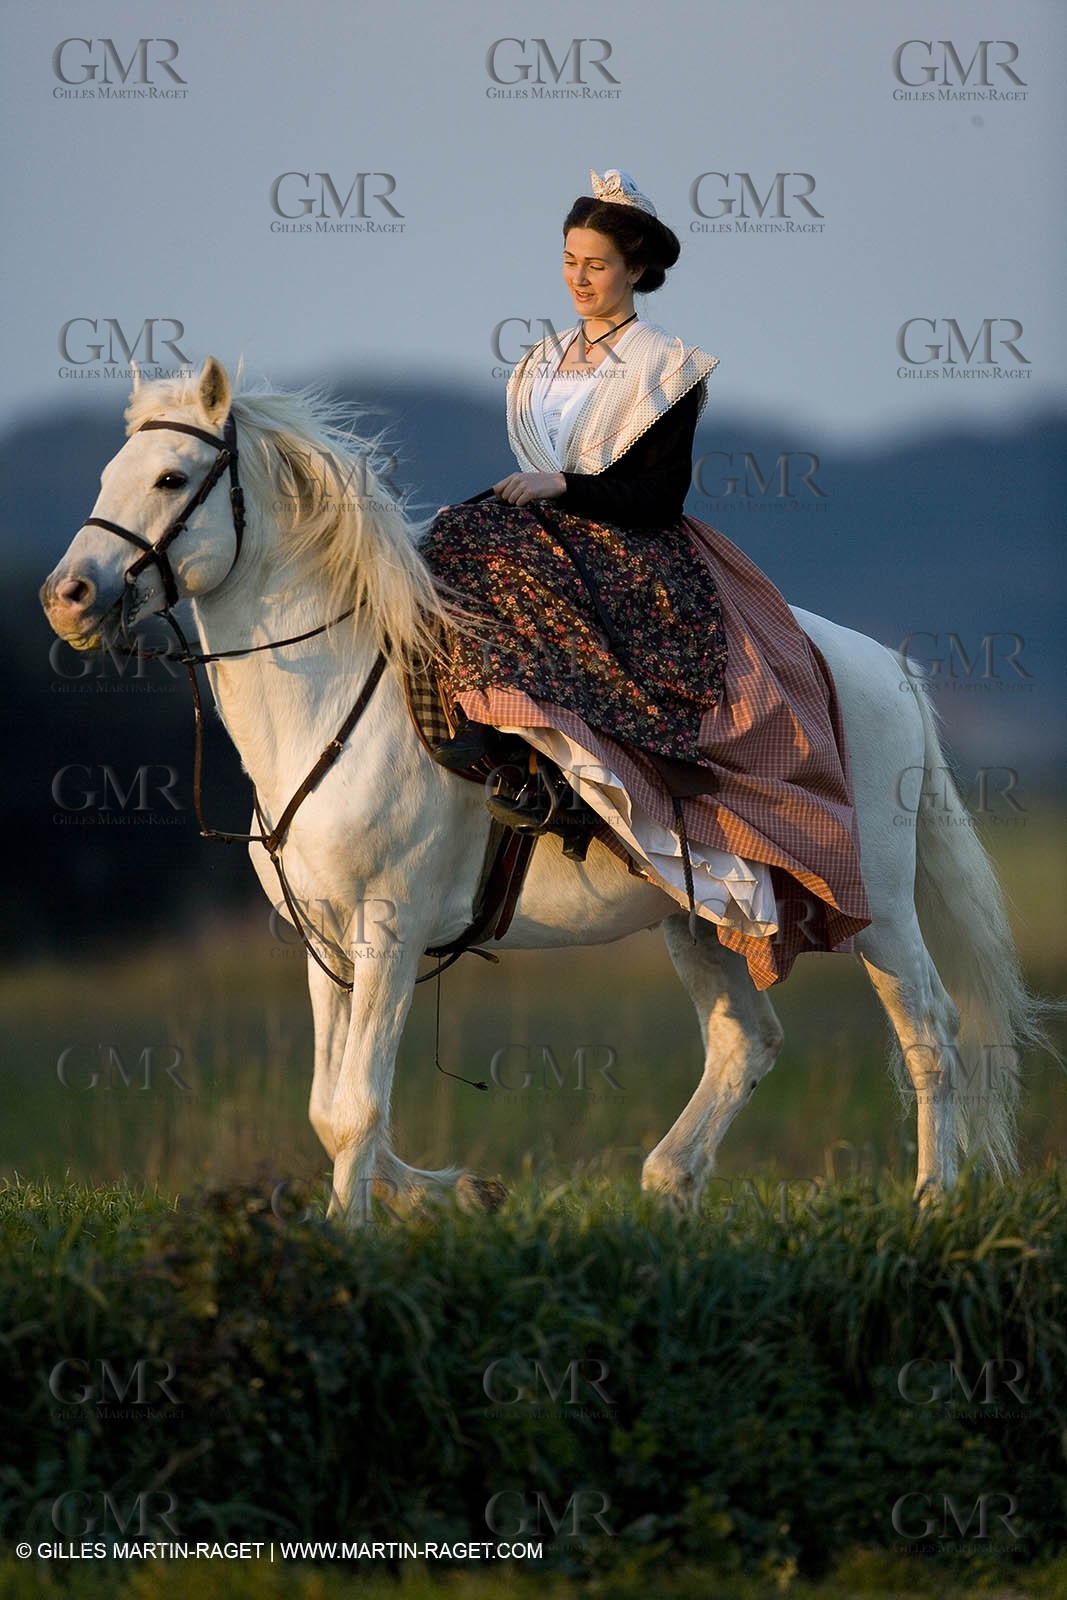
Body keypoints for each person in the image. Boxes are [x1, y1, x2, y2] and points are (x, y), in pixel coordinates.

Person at [421, 169, 871, 988]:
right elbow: (535, 468)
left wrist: (564, 489)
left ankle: (557, 776)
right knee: (437, 554)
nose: (578, 278)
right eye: (567, 261)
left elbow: (659, 496)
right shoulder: (538, 359)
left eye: (594, 264)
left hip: (629, 540)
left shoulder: (667, 366)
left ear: (632, 268)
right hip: (542, 529)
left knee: (524, 591)